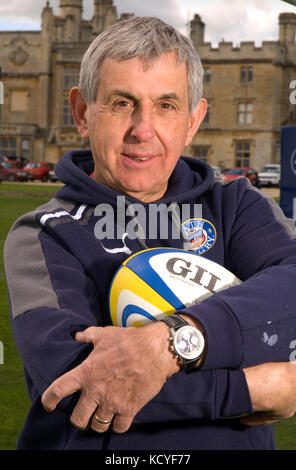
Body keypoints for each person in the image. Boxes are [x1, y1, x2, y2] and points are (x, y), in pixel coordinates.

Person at [4, 16, 296, 451]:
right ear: (83, 113)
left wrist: (169, 342)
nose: (143, 130)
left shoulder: (236, 207)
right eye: (122, 103)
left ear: (193, 120)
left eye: (166, 105)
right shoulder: (44, 235)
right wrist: (250, 388)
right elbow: (72, 384)